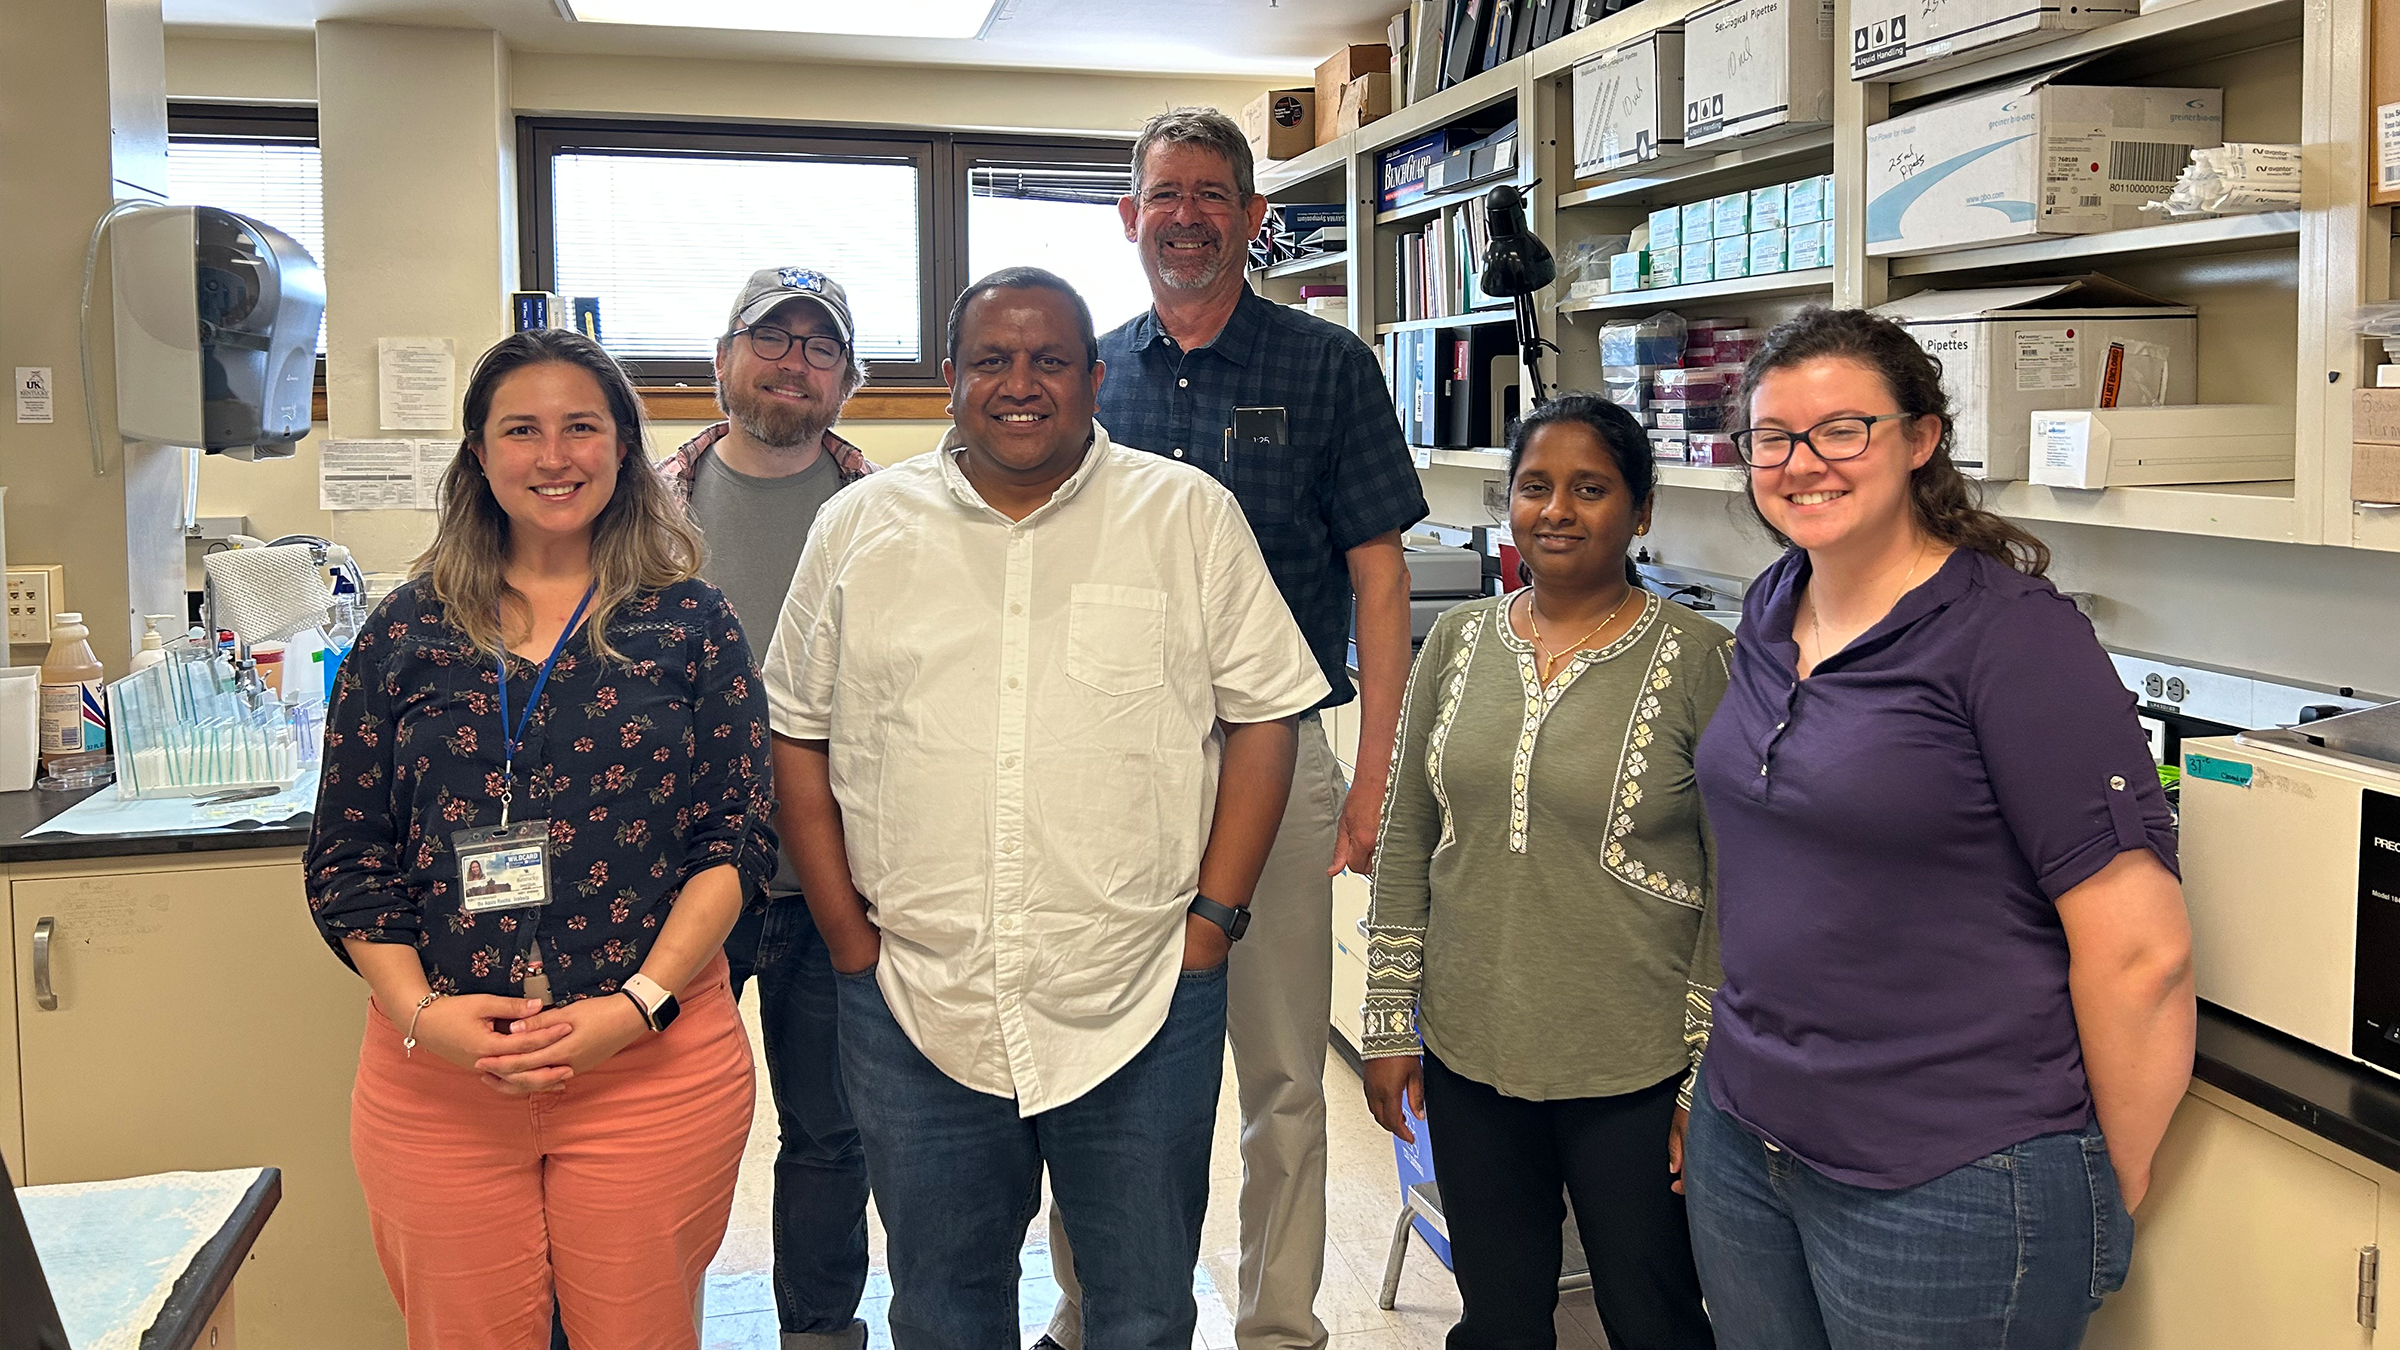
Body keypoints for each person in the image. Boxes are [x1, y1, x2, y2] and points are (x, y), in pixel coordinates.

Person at [763, 267, 1327, 1350]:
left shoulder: (1186, 518)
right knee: (942, 1308)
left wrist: (1212, 926)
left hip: (1140, 987)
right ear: (950, 380)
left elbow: (1266, 720)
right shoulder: (858, 528)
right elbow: (797, 731)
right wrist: (845, 939)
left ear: (1095, 377)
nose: (1020, 384)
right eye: (992, 360)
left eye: (1050, 360)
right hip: (918, 991)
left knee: (1145, 1311)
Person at [1683, 307, 2196, 1349]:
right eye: (1772, 438)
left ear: (1920, 440)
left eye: (1842, 430)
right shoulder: (1775, 603)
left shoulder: (2011, 639)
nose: (1801, 463)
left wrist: (2103, 1185)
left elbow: (2142, 949)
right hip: (1751, 1134)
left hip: (1951, 1172)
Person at [305, 328, 777, 1350]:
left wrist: (637, 1006)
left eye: (580, 428)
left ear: (623, 449)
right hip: (438, 1079)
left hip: (650, 1065)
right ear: (479, 453)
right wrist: (420, 1014)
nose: (552, 456)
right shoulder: (403, 634)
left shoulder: (690, 624)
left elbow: (732, 837)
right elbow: (349, 859)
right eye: (521, 430)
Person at [1044, 104, 1427, 1350]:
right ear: (1129, 215)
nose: (1189, 217)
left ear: (1255, 219)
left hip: (1285, 757)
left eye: (1215, 195)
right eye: (1166, 194)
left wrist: (1374, 780)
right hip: (1114, 768)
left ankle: (1276, 1326)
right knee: (1095, 1062)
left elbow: (1380, 578)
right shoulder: (1085, 377)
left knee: (1278, 1075)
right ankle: (1093, 1307)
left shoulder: (1328, 368)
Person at [1359, 394, 1723, 1350]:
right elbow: (1407, 835)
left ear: (1641, 512)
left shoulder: (1703, 661)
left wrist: (1701, 1076)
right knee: (1502, 1312)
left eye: (1590, 489)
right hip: (1473, 1043)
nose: (1557, 510)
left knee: (1652, 1310)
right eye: (1535, 487)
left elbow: (1741, 885)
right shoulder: (1458, 643)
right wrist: (1391, 1021)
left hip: (1634, 1061)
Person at [655, 266, 877, 1350]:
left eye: (819, 348)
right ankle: (647, 1324)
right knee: (662, 1130)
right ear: (722, 360)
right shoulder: (644, 512)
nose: (794, 363)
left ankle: (822, 1333)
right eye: (772, 339)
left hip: (837, 877)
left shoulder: (886, 512)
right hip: (680, 883)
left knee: (833, 1134)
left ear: (848, 383)